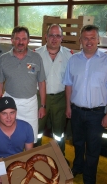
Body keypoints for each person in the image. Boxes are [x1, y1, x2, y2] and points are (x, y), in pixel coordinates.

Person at [63, 25, 107, 184]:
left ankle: (89, 181)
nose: (89, 41)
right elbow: (68, 85)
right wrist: (68, 106)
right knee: (78, 143)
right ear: (80, 41)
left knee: (93, 149)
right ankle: (78, 168)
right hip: (76, 111)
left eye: (92, 38)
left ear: (98, 40)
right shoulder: (73, 61)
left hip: (97, 114)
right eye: (85, 38)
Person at [0, 26, 46, 144]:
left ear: (28, 40)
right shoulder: (4, 59)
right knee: (10, 136)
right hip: (10, 102)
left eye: (24, 39)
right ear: (12, 40)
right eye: (17, 39)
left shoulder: (36, 58)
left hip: (30, 104)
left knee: (31, 136)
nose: (20, 42)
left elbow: (42, 83)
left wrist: (43, 105)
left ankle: (28, 159)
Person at [0, 96, 34, 184]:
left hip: (19, 165)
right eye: (4, 113)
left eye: (12, 113)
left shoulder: (27, 128)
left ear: (16, 113)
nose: (8, 117)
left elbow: (29, 154)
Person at [35, 24, 73, 153]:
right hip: (40, 98)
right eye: (51, 35)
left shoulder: (69, 56)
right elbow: (30, 76)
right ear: (46, 37)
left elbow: (71, 82)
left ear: (62, 38)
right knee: (37, 130)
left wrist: (69, 104)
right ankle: (34, 155)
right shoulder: (36, 54)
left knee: (58, 132)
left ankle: (60, 157)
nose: (54, 39)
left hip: (60, 99)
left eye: (58, 36)